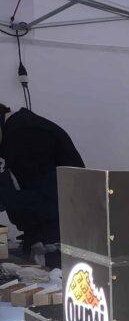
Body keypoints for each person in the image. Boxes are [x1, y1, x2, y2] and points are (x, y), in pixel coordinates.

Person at [0, 102, 84, 261]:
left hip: (57, 238)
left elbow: (43, 199)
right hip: (51, 232)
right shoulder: (17, 132)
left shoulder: (27, 134)